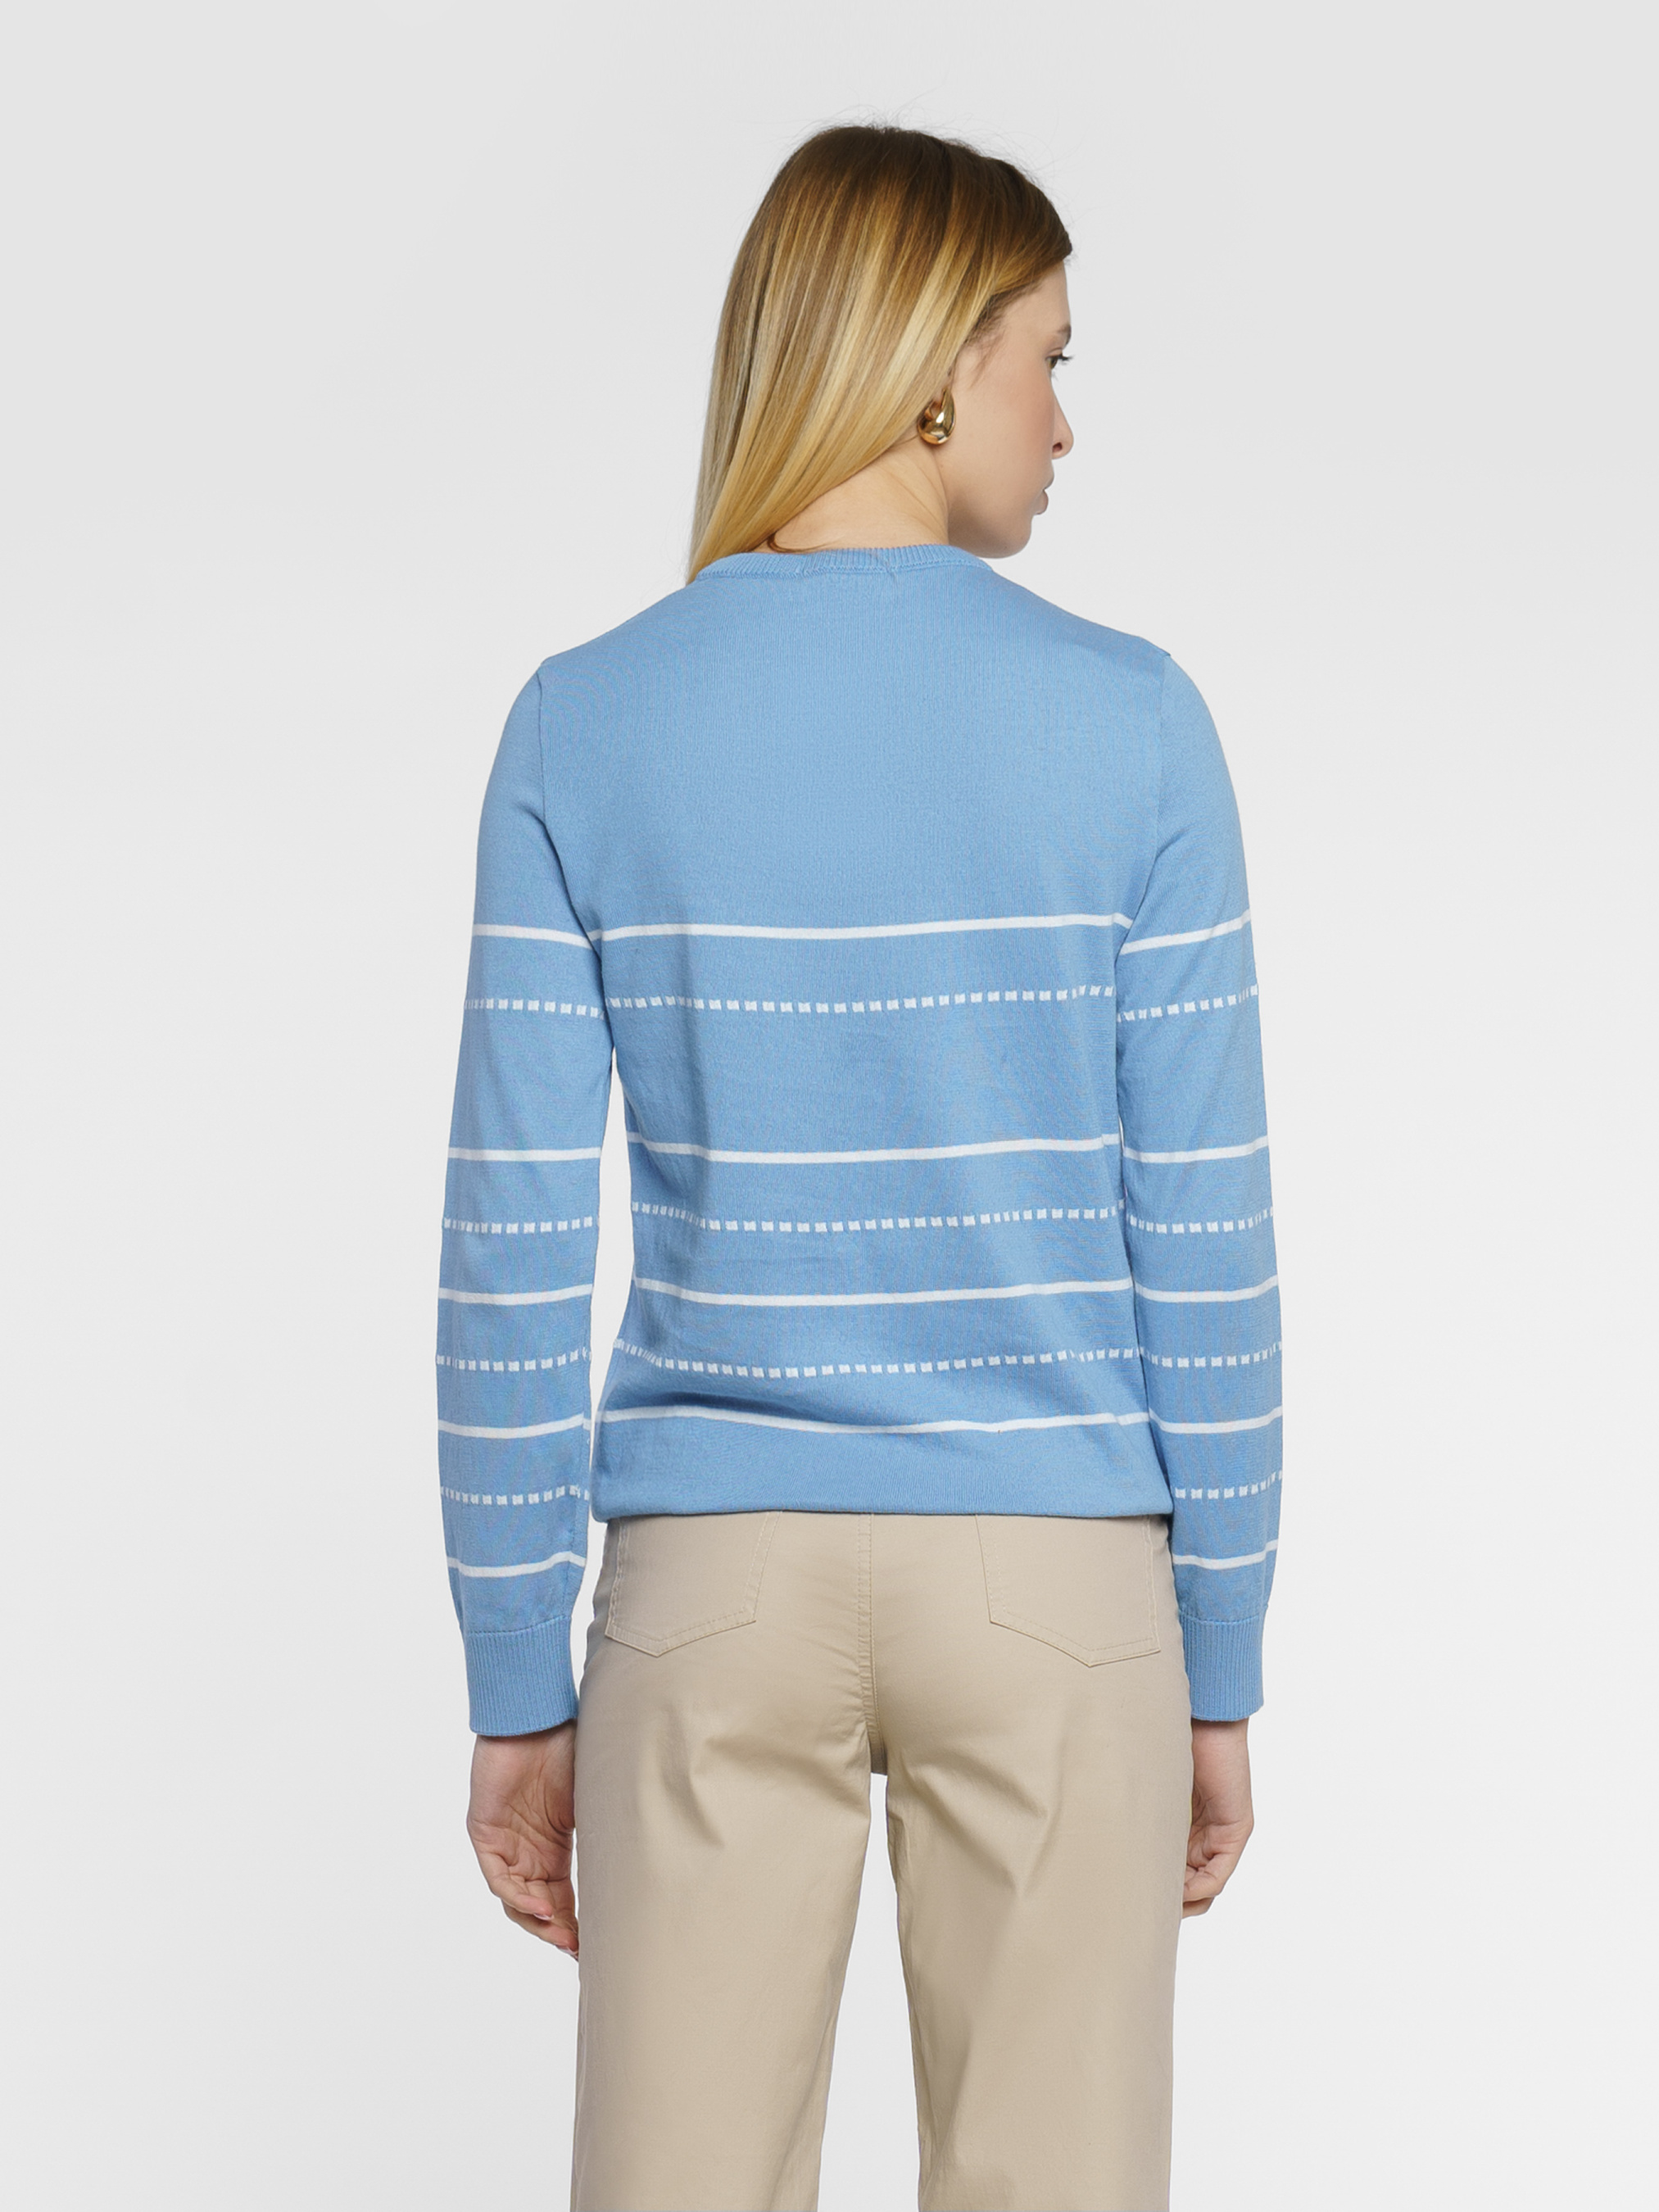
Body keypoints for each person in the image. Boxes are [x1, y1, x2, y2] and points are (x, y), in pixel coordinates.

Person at [438, 124, 1281, 2212]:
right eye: (1045, 360)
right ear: (929, 368)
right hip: (1058, 1586)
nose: (1063, 423)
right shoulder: (1135, 725)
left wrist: (514, 1678)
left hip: (706, 1593)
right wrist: (1220, 1652)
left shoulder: (578, 723)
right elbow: (1203, 1237)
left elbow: (513, 1246)